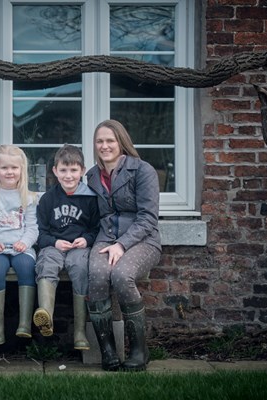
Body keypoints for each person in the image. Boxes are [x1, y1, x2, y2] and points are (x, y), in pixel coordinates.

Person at [85, 120, 162, 372]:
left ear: (121, 142)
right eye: (100, 141)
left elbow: (148, 218)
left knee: (121, 274)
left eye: (110, 140)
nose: (104, 146)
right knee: (96, 275)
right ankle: (108, 351)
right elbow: (90, 214)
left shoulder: (142, 170)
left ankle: (139, 350)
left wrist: (122, 244)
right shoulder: (92, 176)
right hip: (105, 239)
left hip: (142, 240)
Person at [32, 145, 99, 350]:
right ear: (55, 171)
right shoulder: (48, 199)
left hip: (79, 248)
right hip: (54, 245)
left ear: (82, 171)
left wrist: (86, 240)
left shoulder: (90, 198)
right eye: (63, 170)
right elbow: (40, 233)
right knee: (46, 263)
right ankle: (46, 317)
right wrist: (54, 242)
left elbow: (97, 229)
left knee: (80, 268)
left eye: (73, 170)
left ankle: (80, 331)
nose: (68, 176)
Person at [0, 145, 39, 345]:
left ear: (22, 170)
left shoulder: (29, 198)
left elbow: (33, 228)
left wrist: (25, 242)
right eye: (4, 168)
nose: (10, 172)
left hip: (22, 247)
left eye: (14, 168)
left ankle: (24, 324)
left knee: (26, 267)